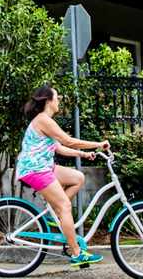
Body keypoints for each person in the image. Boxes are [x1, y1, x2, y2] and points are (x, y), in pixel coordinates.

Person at [16, 85, 109, 266]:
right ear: (48, 101)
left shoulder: (45, 121)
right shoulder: (43, 119)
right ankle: (76, 253)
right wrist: (98, 144)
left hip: (45, 167)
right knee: (65, 206)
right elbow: (68, 140)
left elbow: (59, 147)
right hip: (35, 169)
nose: (59, 101)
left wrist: (83, 155)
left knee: (78, 178)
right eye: (57, 98)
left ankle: (58, 214)